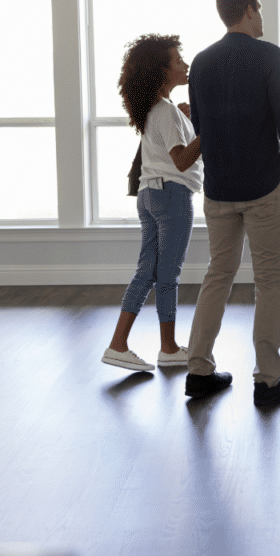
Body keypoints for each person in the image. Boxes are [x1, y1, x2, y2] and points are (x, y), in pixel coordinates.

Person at [183, 0, 280, 407]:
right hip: (263, 188)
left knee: (218, 274)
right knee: (269, 280)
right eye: (259, 8)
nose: (261, 16)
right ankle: (267, 382)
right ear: (248, 11)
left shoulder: (200, 63)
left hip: (218, 189)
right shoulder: (270, 56)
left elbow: (201, 128)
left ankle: (198, 371)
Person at [102, 34, 203, 372]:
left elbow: (169, 148)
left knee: (146, 272)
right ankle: (169, 348)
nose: (185, 65)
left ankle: (118, 344)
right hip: (172, 195)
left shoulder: (157, 111)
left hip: (149, 195)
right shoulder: (167, 112)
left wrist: (189, 120)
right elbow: (182, 160)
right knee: (168, 274)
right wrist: (209, 129)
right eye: (178, 61)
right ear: (163, 70)